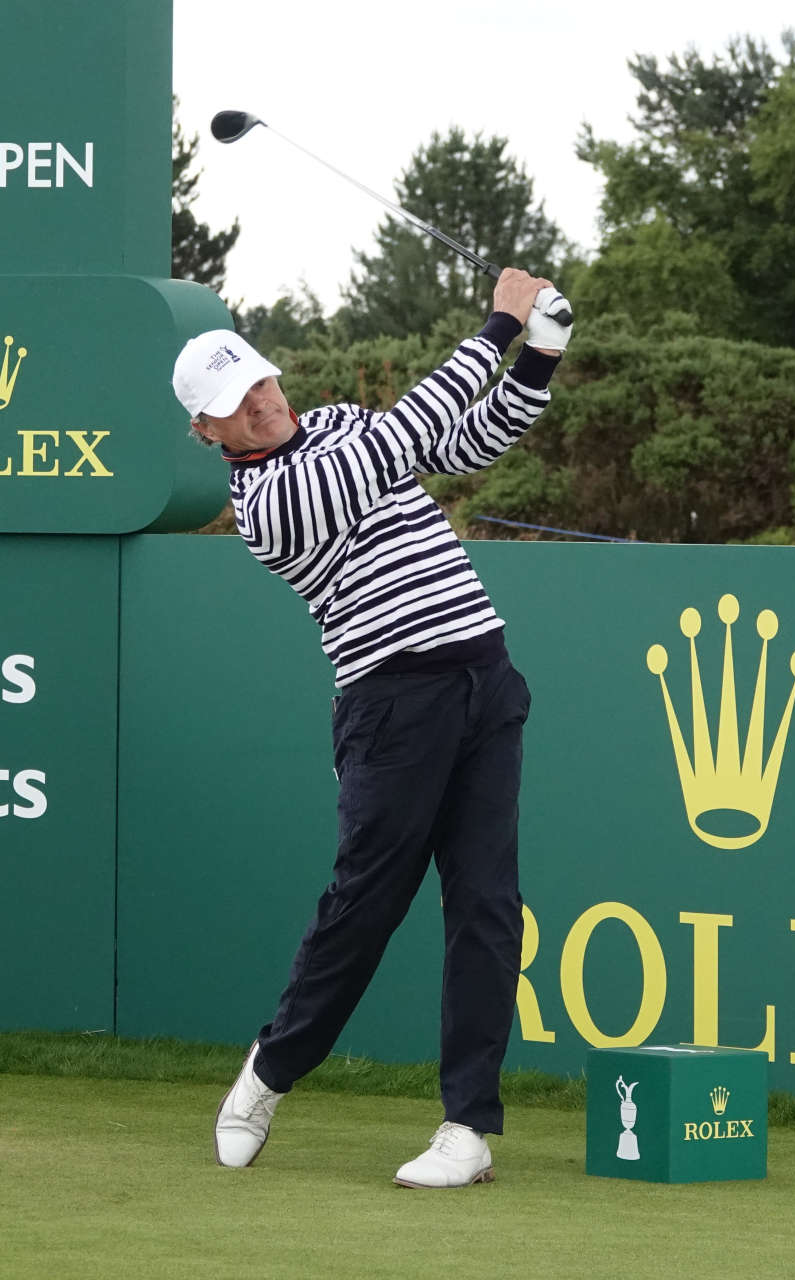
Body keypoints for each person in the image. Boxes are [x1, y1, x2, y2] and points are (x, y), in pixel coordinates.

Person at [172, 268, 571, 1188]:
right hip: (393, 705)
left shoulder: (347, 426)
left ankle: (467, 1127)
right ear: (209, 431)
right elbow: (405, 436)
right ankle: (270, 1071)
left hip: (483, 676)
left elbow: (466, 438)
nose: (264, 403)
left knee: (487, 904)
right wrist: (498, 323)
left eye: (263, 382)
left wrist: (540, 354)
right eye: (238, 402)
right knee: (367, 906)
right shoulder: (268, 506)